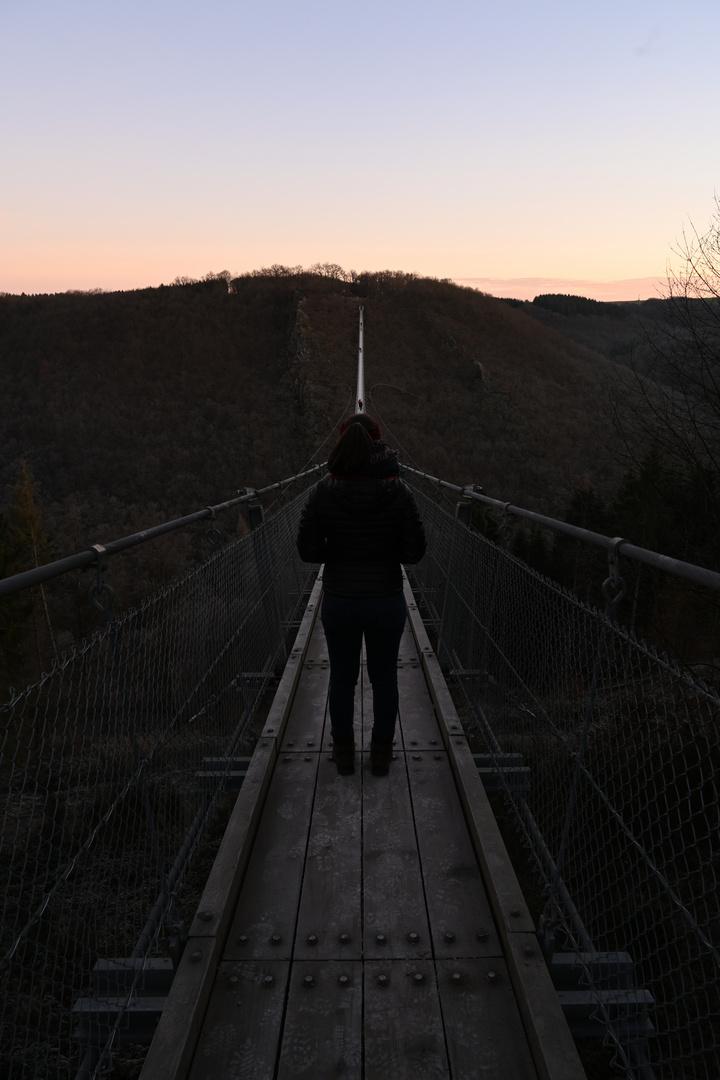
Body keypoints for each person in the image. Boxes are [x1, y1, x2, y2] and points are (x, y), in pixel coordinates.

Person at [296, 414, 426, 776]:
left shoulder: (323, 490)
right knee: (385, 678)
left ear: (340, 445)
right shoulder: (399, 490)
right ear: (378, 445)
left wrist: (335, 554)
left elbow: (307, 549)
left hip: (340, 600)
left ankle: (343, 753)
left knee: (342, 677)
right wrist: (386, 551)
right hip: (386, 599)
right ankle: (382, 754)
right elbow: (415, 552)